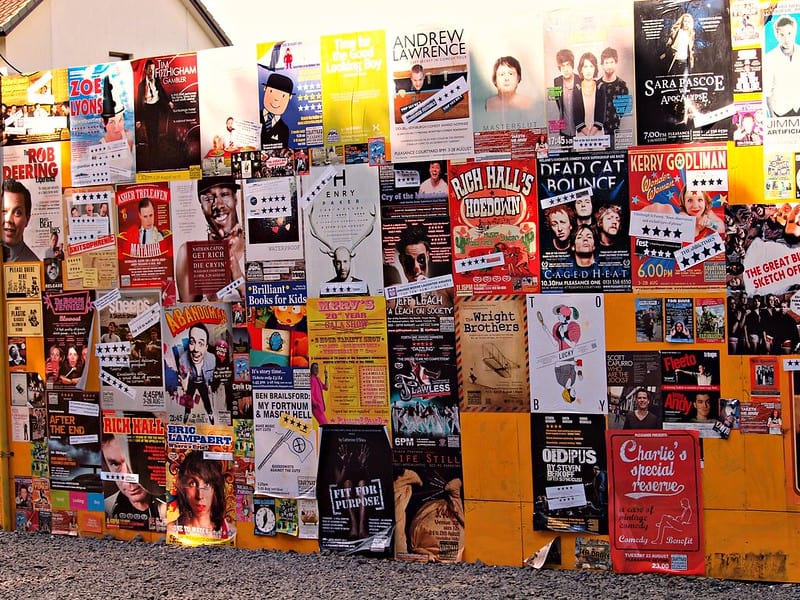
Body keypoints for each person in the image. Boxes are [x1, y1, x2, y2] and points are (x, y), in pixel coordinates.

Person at [175, 179, 245, 301]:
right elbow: (186, 315)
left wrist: (239, 280)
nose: (218, 205)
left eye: (224, 194)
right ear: (202, 207)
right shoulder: (189, 254)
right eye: (208, 199)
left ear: (235, 199)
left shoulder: (255, 247)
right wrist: (215, 295)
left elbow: (273, 311)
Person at [102, 433, 166, 527]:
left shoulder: (174, 507)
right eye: (115, 464)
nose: (128, 480)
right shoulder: (104, 507)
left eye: (133, 462)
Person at [169, 451, 234, 540]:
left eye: (207, 485)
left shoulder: (231, 533)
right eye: (192, 484)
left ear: (215, 489)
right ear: (183, 488)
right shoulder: (171, 531)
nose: (199, 496)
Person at [135, 59, 173, 165]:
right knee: (150, 134)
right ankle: (152, 159)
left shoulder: (157, 80)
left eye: (153, 70)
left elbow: (162, 92)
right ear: (146, 71)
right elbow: (139, 102)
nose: (152, 72)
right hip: (147, 109)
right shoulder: (141, 85)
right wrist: (138, 119)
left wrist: (169, 101)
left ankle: (156, 158)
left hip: (156, 108)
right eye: (150, 70)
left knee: (156, 133)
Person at [178, 323, 216, 425]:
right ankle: (186, 414)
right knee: (188, 399)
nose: (196, 349)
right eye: (192, 342)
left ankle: (210, 414)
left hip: (202, 381)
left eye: (201, 344)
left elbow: (211, 374)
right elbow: (183, 376)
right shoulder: (183, 359)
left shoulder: (211, 359)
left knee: (206, 400)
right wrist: (184, 383)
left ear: (206, 347)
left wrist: (208, 384)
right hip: (192, 381)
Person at [765, 15, 800, 117]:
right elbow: (768, 92)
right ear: (777, 35)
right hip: (782, 112)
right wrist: (772, 116)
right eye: (782, 34)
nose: (786, 39)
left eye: (789, 33)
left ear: (795, 32)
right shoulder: (770, 58)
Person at [597, 47, 629, 146]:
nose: (609, 66)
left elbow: (622, 111)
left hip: (614, 131)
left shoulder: (622, 85)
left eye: (611, 62)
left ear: (616, 63)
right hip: (597, 131)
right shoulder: (597, 85)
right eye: (606, 63)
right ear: (602, 65)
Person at [2, 179, 38, 262]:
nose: (8, 220)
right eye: (4, 211)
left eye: (17, 213)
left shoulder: (34, 264)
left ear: (27, 219)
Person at [260, 72, 294, 148]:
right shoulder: (255, 116)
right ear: (265, 89)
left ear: (290, 97)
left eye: (283, 96)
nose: (276, 99)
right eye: (271, 91)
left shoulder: (284, 129)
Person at [553, 49, 580, 139]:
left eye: (568, 65)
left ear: (572, 65)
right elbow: (559, 104)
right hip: (564, 130)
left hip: (580, 129)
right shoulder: (557, 81)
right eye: (562, 66)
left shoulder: (580, 80)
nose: (565, 69)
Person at [575, 52, 603, 137]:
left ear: (595, 69)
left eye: (591, 66)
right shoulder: (576, 88)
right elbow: (576, 116)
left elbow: (601, 114)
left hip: (597, 133)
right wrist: (588, 135)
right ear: (581, 69)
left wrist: (592, 135)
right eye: (585, 66)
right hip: (582, 134)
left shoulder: (600, 87)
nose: (588, 70)